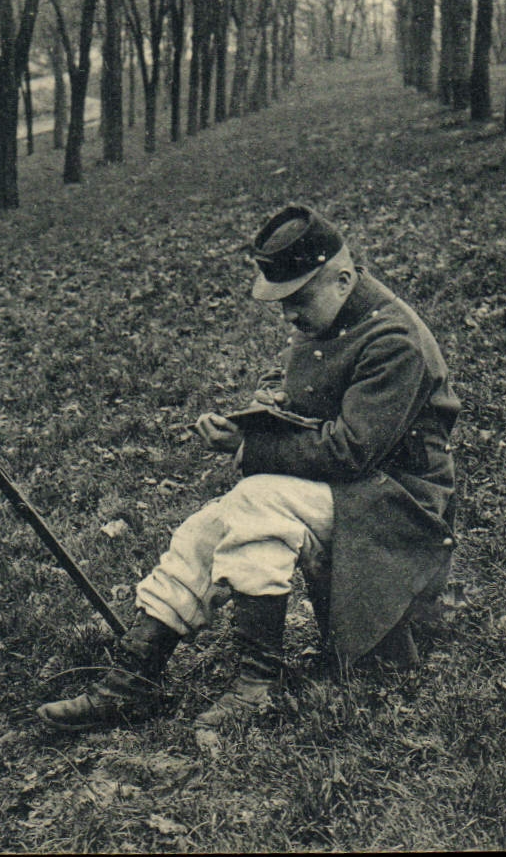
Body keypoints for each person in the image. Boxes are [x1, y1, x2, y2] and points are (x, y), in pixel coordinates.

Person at [37, 204, 459, 732]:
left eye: (297, 299)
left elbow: (352, 451)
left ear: (344, 279)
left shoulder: (393, 340)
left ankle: (257, 684)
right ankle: (134, 678)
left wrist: (250, 447)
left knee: (256, 503)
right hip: (352, 494)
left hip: (400, 508)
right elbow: (315, 405)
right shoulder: (335, 317)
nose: (288, 316)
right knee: (210, 525)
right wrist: (262, 414)